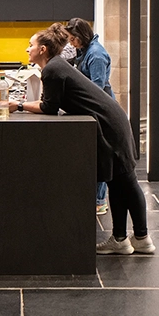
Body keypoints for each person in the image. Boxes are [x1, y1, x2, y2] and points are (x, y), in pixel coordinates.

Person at [10, 23, 154, 256]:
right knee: (118, 182)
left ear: (43, 49)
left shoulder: (52, 69)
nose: (28, 49)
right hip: (111, 121)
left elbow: (49, 107)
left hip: (110, 126)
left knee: (126, 181)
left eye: (31, 45)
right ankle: (122, 239)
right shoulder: (56, 65)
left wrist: (17, 105)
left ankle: (142, 238)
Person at [65, 17, 114, 215]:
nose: (71, 43)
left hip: (101, 110)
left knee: (100, 155)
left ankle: (99, 201)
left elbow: (97, 88)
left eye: (72, 39)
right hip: (92, 108)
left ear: (82, 36)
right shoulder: (84, 50)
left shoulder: (96, 54)